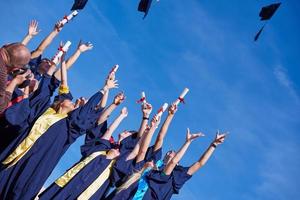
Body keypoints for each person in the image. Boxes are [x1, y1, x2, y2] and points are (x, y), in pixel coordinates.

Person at [0, 59, 117, 200]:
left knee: (17, 193)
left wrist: (105, 89)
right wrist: (60, 61)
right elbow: (50, 84)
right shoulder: (45, 110)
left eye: (75, 106)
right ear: (60, 103)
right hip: (16, 156)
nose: (73, 102)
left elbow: (93, 112)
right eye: (72, 102)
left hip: (35, 166)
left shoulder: (69, 128)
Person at [39, 107, 129, 200]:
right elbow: (106, 127)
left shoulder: (122, 160)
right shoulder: (107, 145)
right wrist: (120, 114)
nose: (126, 131)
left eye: (129, 133)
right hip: (76, 176)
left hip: (89, 189)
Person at [140, 130, 227, 200]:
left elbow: (199, 163)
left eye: (174, 153)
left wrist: (214, 145)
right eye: (169, 152)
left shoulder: (179, 174)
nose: (170, 153)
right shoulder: (155, 165)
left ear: (178, 163)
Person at [0, 43, 31, 113]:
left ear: (5, 45)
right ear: (16, 68)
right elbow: (1, 107)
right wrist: (14, 82)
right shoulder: (2, 75)